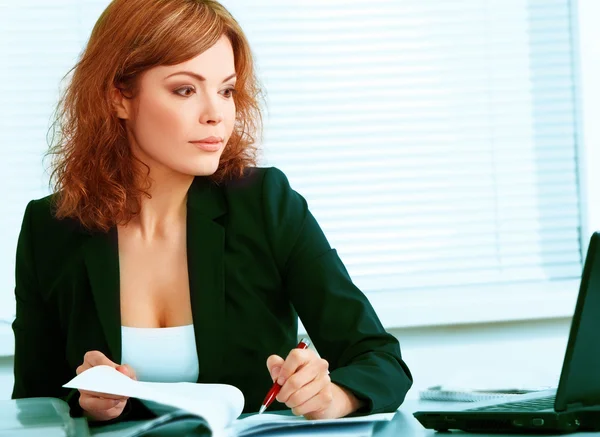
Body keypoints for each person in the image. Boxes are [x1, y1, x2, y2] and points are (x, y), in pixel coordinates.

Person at [11, 0, 412, 425]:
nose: (216, 114)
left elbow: (380, 360)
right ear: (118, 97)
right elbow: (33, 404)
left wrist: (334, 396)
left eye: (225, 90)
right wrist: (87, 403)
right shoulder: (51, 228)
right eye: (185, 89)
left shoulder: (265, 203)